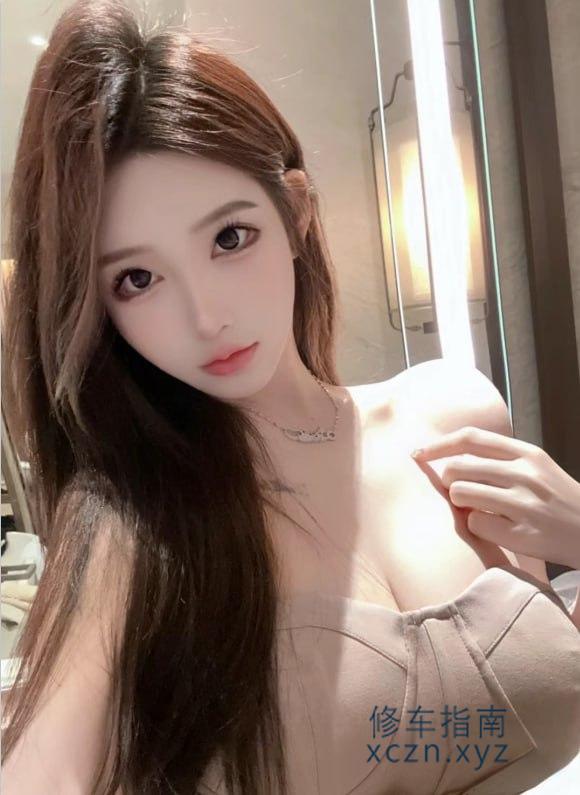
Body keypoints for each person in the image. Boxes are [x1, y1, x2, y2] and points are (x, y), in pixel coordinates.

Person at [1, 2, 579, 793]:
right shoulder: (135, 527)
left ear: (297, 213)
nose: (206, 316)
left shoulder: (454, 411)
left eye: (229, 237)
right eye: (137, 278)